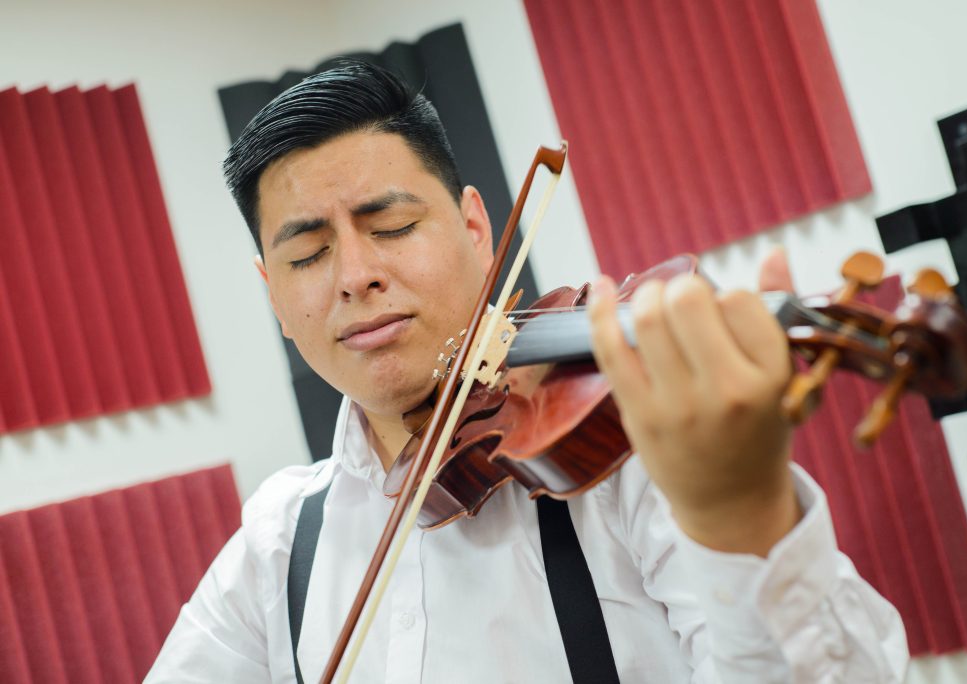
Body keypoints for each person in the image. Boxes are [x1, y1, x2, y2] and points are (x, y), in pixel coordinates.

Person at [146, 61, 908, 682]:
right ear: (274, 296)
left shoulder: (627, 460)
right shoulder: (280, 538)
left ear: (477, 229)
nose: (355, 275)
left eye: (394, 226)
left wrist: (740, 516)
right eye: (308, 255)